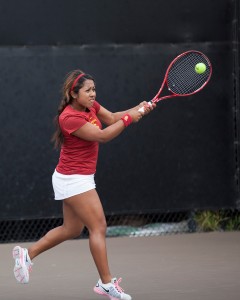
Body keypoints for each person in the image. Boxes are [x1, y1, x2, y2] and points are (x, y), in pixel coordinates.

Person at [12, 70, 156, 300]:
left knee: (72, 230)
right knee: (98, 227)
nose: (93, 94)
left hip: (77, 176)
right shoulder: (68, 118)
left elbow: (112, 117)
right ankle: (106, 283)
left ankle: (26, 255)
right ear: (74, 93)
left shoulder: (90, 106)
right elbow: (103, 135)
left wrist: (137, 109)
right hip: (73, 179)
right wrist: (131, 118)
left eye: (93, 89)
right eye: (88, 90)